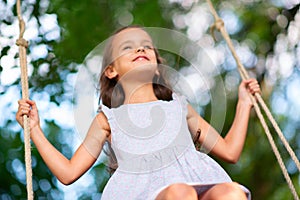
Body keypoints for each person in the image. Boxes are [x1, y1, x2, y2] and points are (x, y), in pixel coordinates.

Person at [16, 25, 261, 200]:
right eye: (128, 47)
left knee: (231, 192)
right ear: (111, 70)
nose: (139, 49)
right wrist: (35, 130)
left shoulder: (179, 107)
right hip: (149, 194)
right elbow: (68, 173)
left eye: (146, 46)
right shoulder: (108, 119)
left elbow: (230, 151)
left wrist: (243, 104)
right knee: (180, 193)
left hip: (198, 184)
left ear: (156, 66)